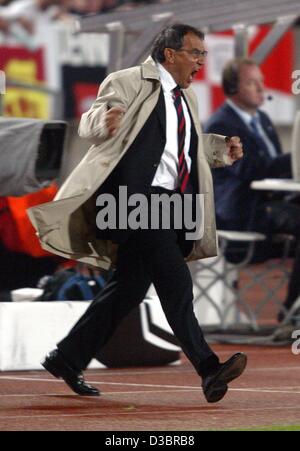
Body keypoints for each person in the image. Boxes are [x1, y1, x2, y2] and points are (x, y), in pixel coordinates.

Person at [29, 24, 246, 403]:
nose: (201, 61)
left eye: (204, 54)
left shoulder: (186, 98)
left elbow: (183, 146)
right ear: (170, 55)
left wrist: (220, 149)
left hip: (170, 204)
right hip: (133, 202)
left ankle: (66, 358)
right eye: (196, 53)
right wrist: (105, 121)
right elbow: (91, 119)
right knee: (175, 281)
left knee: (127, 289)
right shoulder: (128, 81)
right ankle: (208, 368)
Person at [204, 57, 300, 321]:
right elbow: (250, 169)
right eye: (252, 82)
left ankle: (293, 307)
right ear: (233, 88)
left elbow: (276, 171)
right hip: (241, 215)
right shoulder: (219, 125)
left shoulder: (264, 120)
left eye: (261, 81)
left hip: (268, 205)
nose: (261, 88)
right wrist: (294, 159)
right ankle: (292, 310)